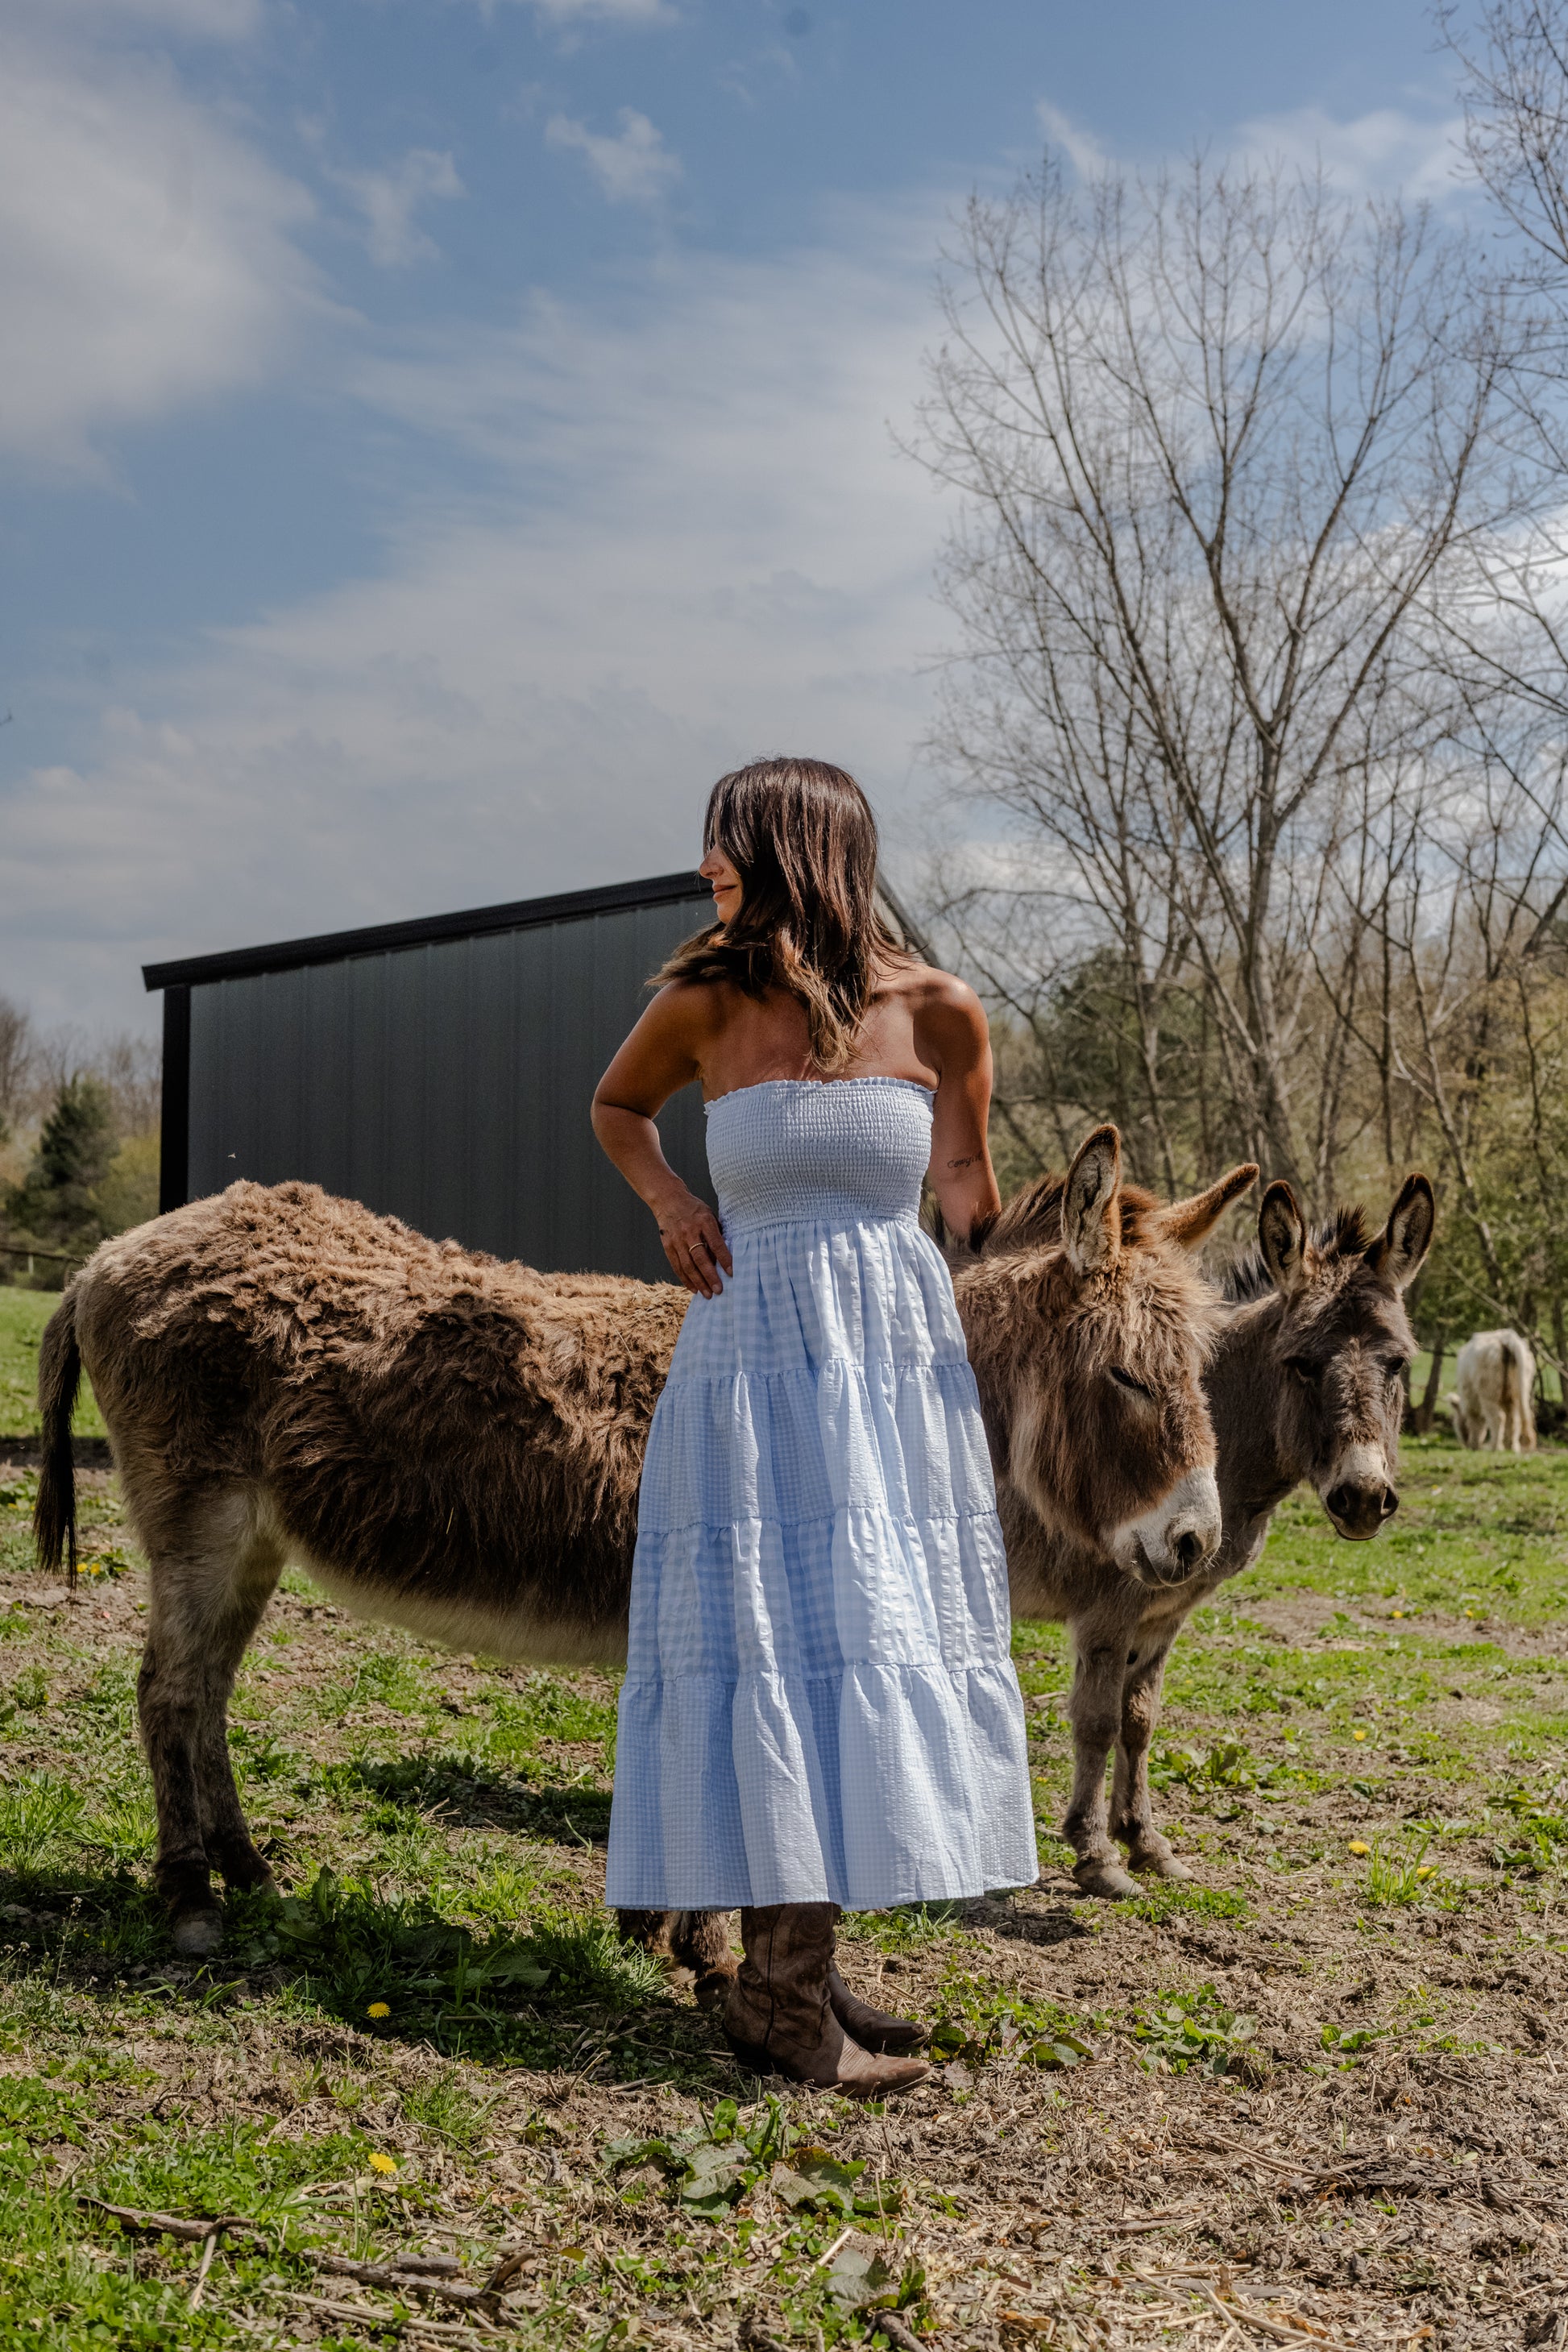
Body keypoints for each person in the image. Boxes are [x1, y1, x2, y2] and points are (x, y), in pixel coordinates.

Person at [591, 757, 1038, 2094]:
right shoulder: (702, 1003)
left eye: (728, 846)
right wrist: (670, 1202)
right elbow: (616, 1112)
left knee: (863, 1626)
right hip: (754, 1360)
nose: (707, 869)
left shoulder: (941, 1013)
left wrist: (1023, 1249)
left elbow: (962, 1185)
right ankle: (780, 2001)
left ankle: (803, 1963)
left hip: (889, 1366)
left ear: (803, 852)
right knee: (771, 1634)